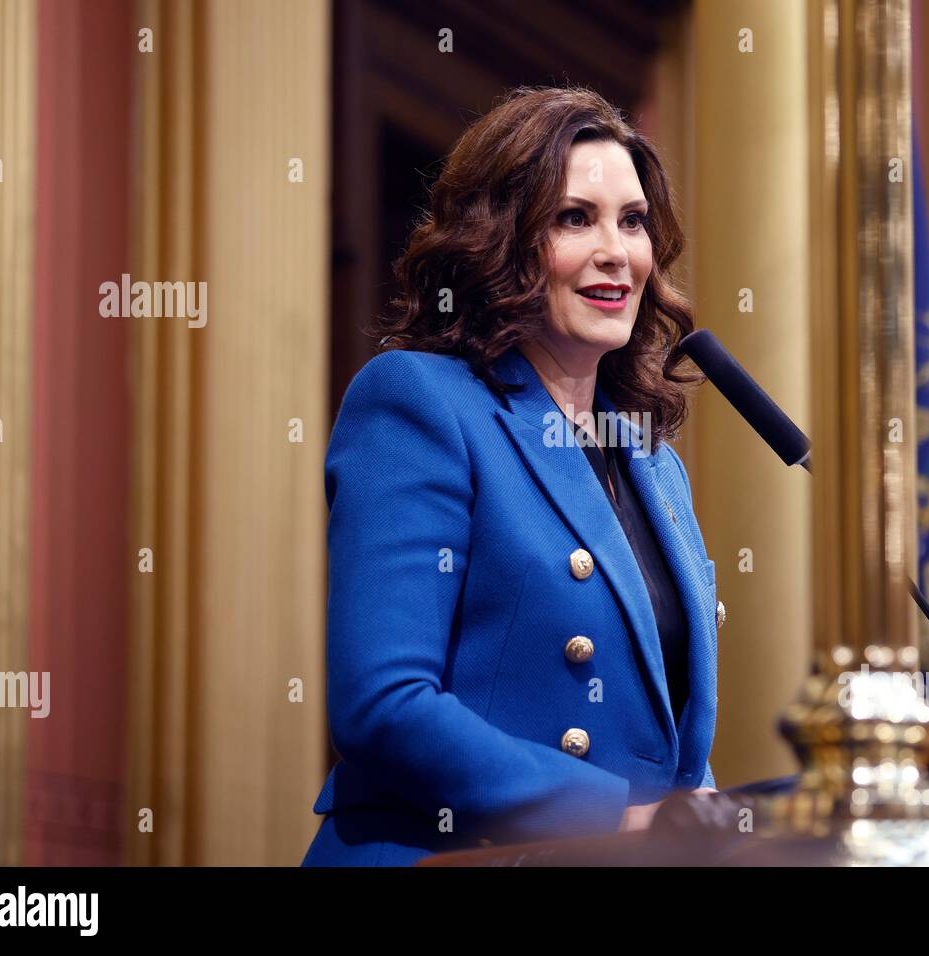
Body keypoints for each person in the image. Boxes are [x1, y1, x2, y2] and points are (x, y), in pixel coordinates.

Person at [303, 86, 721, 866]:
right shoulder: (420, 402)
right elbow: (383, 707)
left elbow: (662, 754)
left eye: (632, 221)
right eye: (574, 218)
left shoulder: (654, 464)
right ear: (500, 241)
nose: (615, 251)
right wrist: (616, 820)